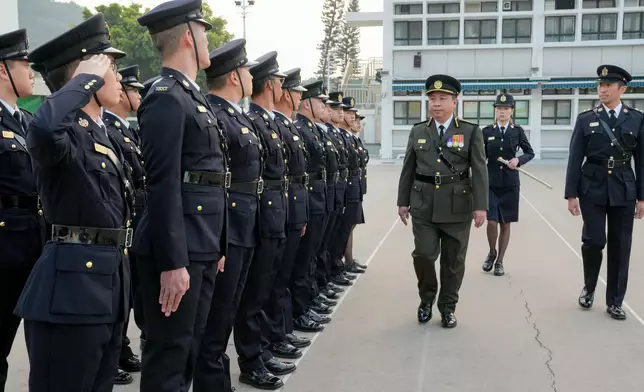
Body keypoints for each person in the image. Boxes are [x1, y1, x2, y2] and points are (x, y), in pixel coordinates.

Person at [16, 13, 132, 391]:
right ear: (85, 77)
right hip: (71, 292)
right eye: (109, 68)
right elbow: (45, 129)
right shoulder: (63, 135)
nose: (116, 76)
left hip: (109, 286)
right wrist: (86, 79)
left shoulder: (102, 133)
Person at [135, 1, 228, 391]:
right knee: (169, 356)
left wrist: (217, 244)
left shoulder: (192, 97)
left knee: (189, 349)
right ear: (189, 36)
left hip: (202, 244)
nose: (209, 39)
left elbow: (210, 179)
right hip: (180, 251)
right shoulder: (165, 97)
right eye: (204, 31)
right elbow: (163, 183)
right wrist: (173, 263)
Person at [193, 39, 263, 392]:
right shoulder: (217, 116)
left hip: (243, 221)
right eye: (247, 69)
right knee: (218, 310)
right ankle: (211, 381)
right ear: (235, 76)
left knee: (231, 303)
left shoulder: (233, 115)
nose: (252, 75)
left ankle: (218, 377)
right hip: (228, 224)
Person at [397, 74, 488, 328]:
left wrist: (481, 205)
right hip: (423, 204)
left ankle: (447, 307)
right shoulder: (418, 131)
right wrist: (403, 201)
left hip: (457, 206)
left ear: (455, 101)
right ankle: (426, 299)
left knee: (453, 262)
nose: (436, 104)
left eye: (442, 99)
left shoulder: (470, 131)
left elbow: (480, 170)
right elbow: (408, 168)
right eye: (432, 99)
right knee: (424, 255)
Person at [234, 51, 296, 390]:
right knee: (255, 292)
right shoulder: (254, 121)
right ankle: (252, 357)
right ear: (270, 85)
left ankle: (262, 349)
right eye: (281, 83)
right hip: (259, 213)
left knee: (267, 284)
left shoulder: (267, 121)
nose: (285, 90)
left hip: (274, 210)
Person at [565, 64, 644, 320]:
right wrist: (571, 194)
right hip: (592, 187)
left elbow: (642, 161)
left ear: (622, 88)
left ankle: (615, 301)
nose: (602, 90)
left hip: (624, 187)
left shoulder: (637, 119)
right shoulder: (586, 119)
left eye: (608, 85)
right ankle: (589, 288)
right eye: (600, 85)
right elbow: (575, 158)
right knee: (594, 240)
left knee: (621, 247)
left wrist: (642, 197)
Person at [0, 28, 45, 392]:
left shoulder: (26, 121)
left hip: (33, 245)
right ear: (2, 70)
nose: (31, 72)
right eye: (23, 64)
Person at [103, 64, 145, 385]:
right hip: (122, 220)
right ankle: (115, 350)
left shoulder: (126, 129)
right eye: (135, 90)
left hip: (136, 216)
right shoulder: (108, 128)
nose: (139, 95)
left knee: (129, 292)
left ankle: (120, 347)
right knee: (120, 294)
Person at [267, 67, 313, 353]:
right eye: (296, 91)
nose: (300, 97)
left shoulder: (286, 126)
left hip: (290, 206)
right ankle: (274, 335)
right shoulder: (273, 125)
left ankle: (281, 331)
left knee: (283, 274)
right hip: (276, 209)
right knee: (273, 279)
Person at [292, 81, 334, 332]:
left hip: (320, 195)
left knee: (311, 255)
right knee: (304, 258)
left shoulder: (314, 130)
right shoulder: (302, 129)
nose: (324, 106)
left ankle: (308, 301)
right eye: (320, 101)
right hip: (310, 195)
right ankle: (300, 308)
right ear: (307, 104)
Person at [481, 93, 534, 277]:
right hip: (491, 183)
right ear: (495, 111)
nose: (502, 112)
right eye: (499, 108)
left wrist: (518, 160)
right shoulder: (487, 132)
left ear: (512, 111)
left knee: (505, 223)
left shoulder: (517, 131)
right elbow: (480, 158)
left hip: (510, 184)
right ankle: (492, 251)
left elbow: (530, 152)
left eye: (506, 109)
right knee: (492, 221)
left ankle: (500, 261)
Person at [326, 95, 366, 280]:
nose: (348, 115)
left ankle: (341, 263)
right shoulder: (337, 135)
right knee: (339, 230)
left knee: (347, 227)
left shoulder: (346, 137)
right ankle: (337, 265)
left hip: (350, 186)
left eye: (349, 112)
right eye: (343, 111)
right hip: (340, 187)